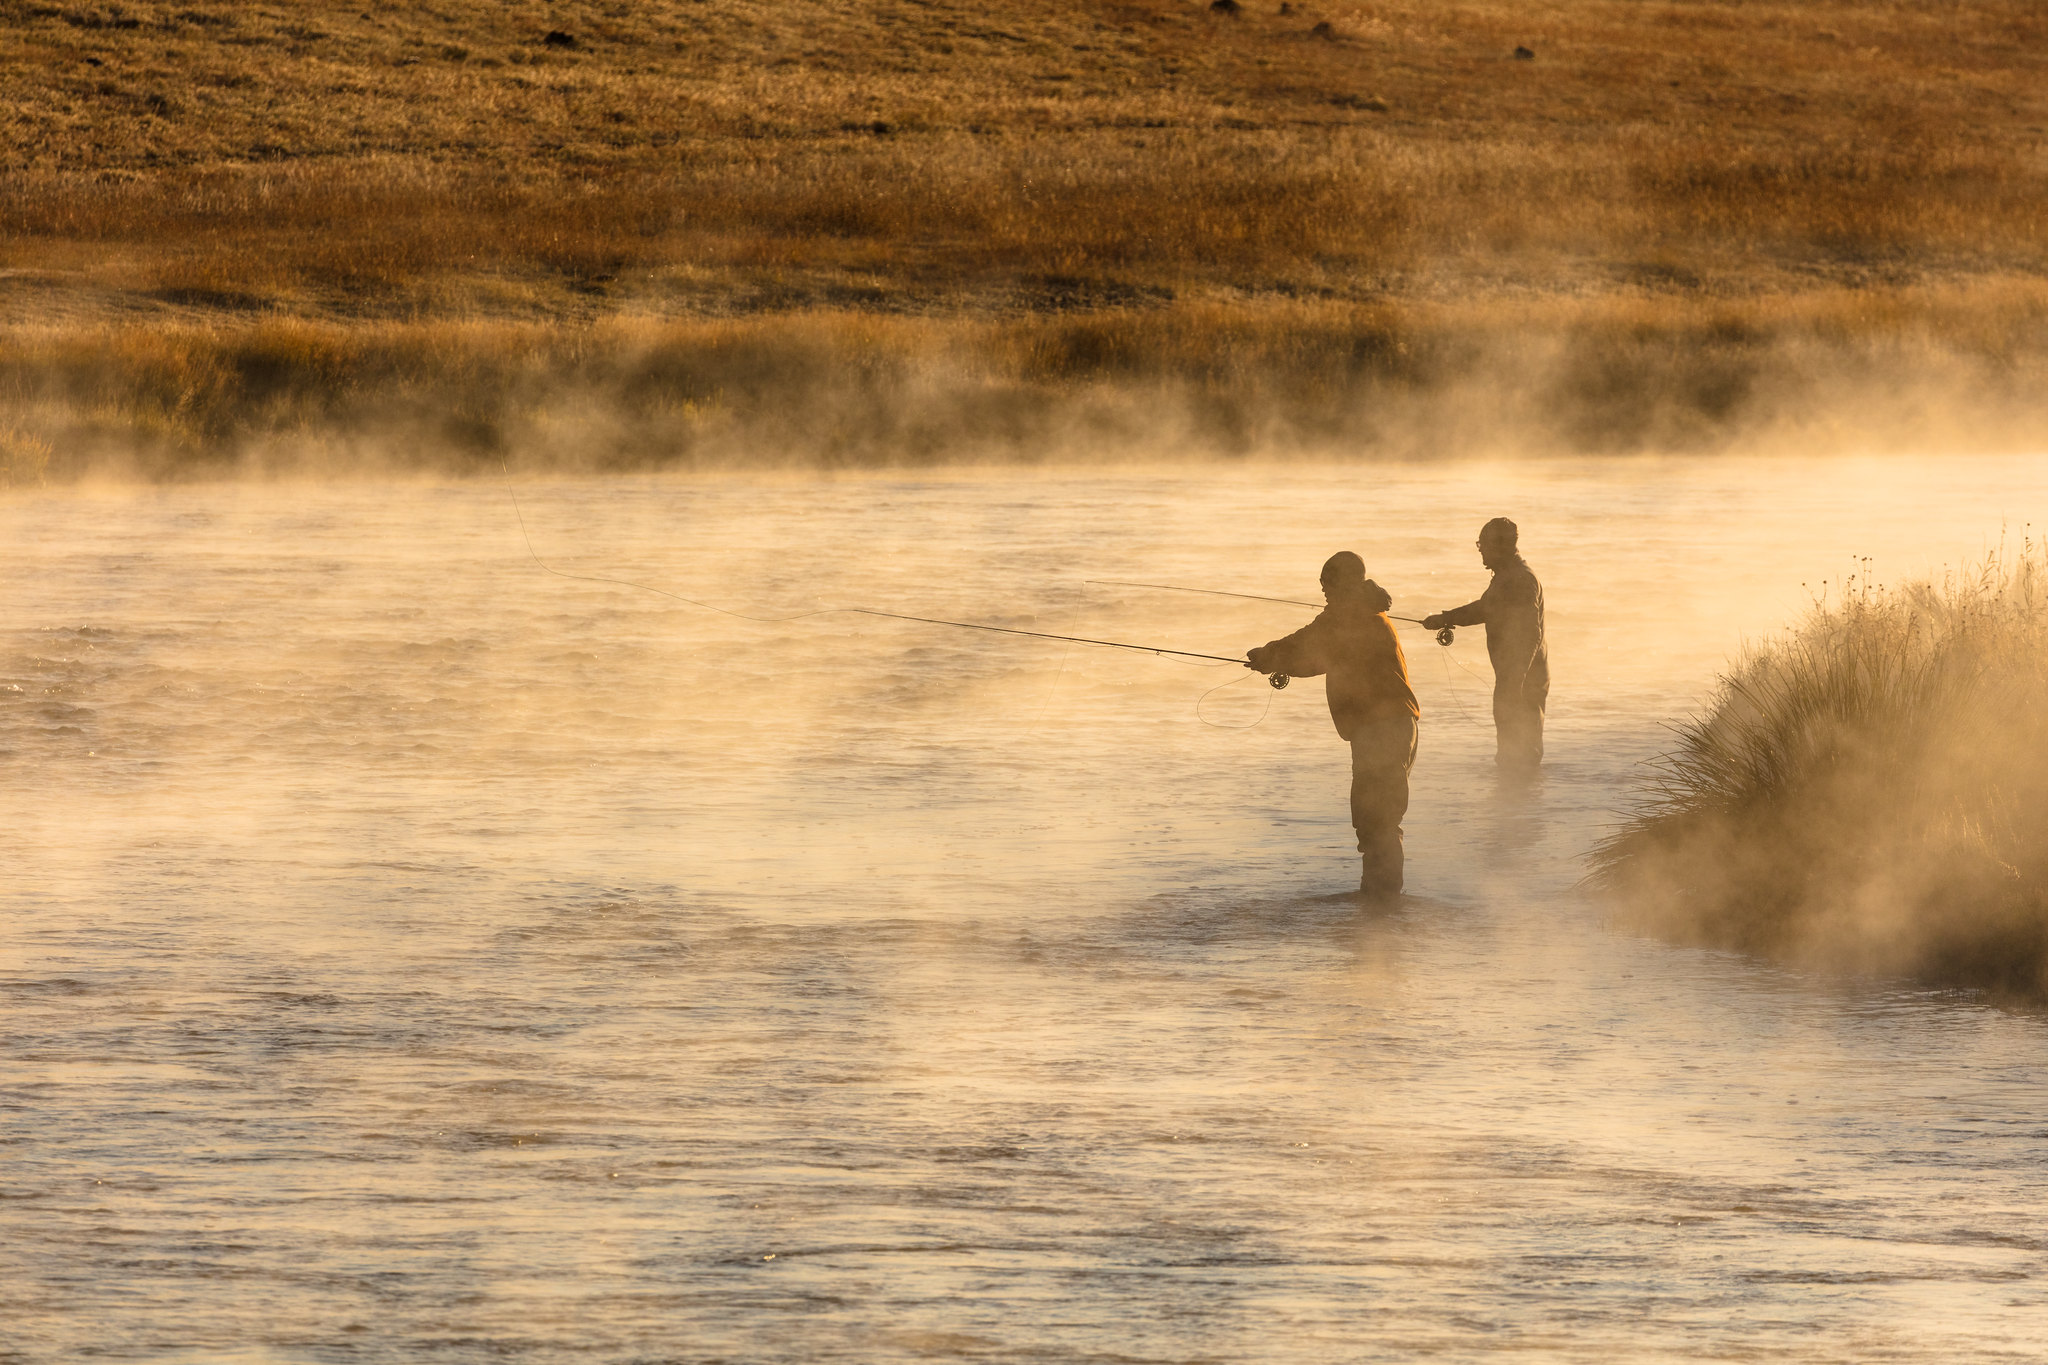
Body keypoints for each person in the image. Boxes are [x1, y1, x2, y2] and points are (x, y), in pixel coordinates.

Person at [1246, 551, 1420, 898]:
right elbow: (1316, 654)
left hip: (1382, 729)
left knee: (1378, 819)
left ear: (1344, 582)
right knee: (1375, 819)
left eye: (1327, 581)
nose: (1323, 588)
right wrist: (1275, 658)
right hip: (1388, 726)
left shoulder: (1349, 616)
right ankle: (1380, 901)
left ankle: (1381, 904)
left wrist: (1268, 656)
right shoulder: (1364, 612)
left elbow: (1309, 646)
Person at [1423, 517, 1547, 773]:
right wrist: (1446, 619)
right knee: (1512, 749)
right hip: (1515, 673)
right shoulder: (1507, 576)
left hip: (1523, 676)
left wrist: (1516, 679)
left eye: (1484, 545)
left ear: (1501, 546)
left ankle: (1519, 800)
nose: (1481, 551)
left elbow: (1532, 632)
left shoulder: (1520, 579)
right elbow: (1486, 609)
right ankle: (1517, 802)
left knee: (1521, 751)